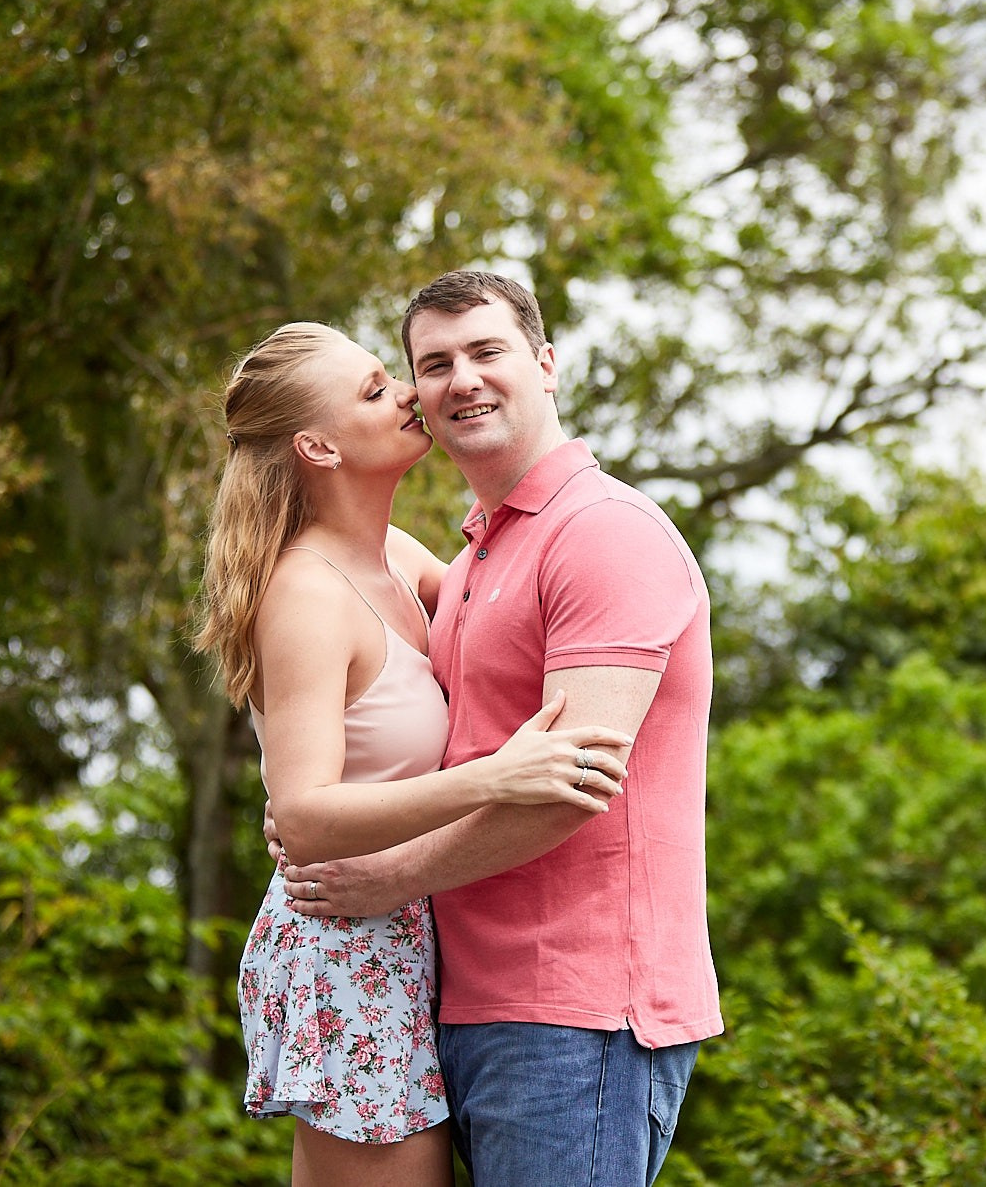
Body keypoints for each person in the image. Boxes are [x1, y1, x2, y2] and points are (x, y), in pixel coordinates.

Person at [280, 272, 723, 1186]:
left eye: (487, 351)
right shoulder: (479, 552)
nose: (463, 379)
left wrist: (386, 878)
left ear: (546, 364)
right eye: (435, 363)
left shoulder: (604, 533)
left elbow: (572, 786)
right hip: (460, 998)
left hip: (578, 1012)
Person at [194, 321, 634, 1187]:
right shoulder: (308, 594)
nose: (406, 393)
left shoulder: (395, 557)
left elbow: (504, 601)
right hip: (347, 944)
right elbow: (304, 815)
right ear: (318, 447)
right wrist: (493, 777)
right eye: (374, 390)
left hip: (409, 932)